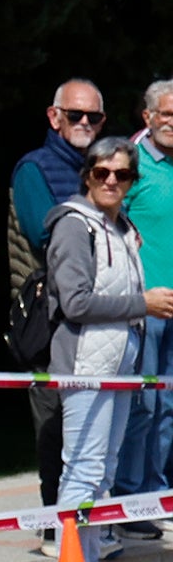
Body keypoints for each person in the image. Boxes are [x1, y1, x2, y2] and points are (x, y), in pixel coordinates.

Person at [46, 136, 173, 562]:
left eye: (122, 175)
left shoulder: (122, 228)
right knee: (81, 471)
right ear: (88, 175)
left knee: (101, 474)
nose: (112, 181)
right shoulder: (74, 226)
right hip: (86, 368)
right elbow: (75, 302)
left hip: (119, 368)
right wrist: (144, 304)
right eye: (103, 173)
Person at [10, 78, 106, 506]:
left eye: (94, 116)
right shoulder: (34, 168)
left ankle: (96, 518)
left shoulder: (101, 169)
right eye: (75, 115)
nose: (85, 123)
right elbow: (44, 235)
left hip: (98, 314)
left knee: (97, 423)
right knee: (55, 419)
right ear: (54, 117)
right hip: (49, 319)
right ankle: (54, 519)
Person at [112, 79, 173, 523]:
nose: (172, 124)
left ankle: (159, 493)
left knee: (169, 406)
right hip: (146, 306)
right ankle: (130, 499)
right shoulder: (129, 162)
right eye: (166, 115)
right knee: (143, 405)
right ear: (147, 116)